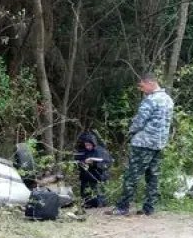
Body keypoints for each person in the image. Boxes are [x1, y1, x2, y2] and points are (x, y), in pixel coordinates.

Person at [107, 72, 174, 216]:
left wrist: (130, 132)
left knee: (131, 175)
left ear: (150, 83)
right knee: (153, 176)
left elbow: (140, 121)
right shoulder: (168, 100)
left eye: (142, 86)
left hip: (143, 143)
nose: (142, 89)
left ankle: (122, 206)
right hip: (159, 144)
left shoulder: (150, 100)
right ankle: (149, 208)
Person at [74, 133, 113, 208]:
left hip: (98, 175)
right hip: (86, 176)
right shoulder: (82, 151)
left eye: (89, 145)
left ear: (93, 143)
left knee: (98, 191)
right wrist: (83, 163)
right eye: (86, 145)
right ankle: (87, 203)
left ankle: (100, 203)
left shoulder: (100, 150)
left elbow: (107, 163)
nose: (87, 147)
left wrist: (94, 163)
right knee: (85, 186)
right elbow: (78, 162)